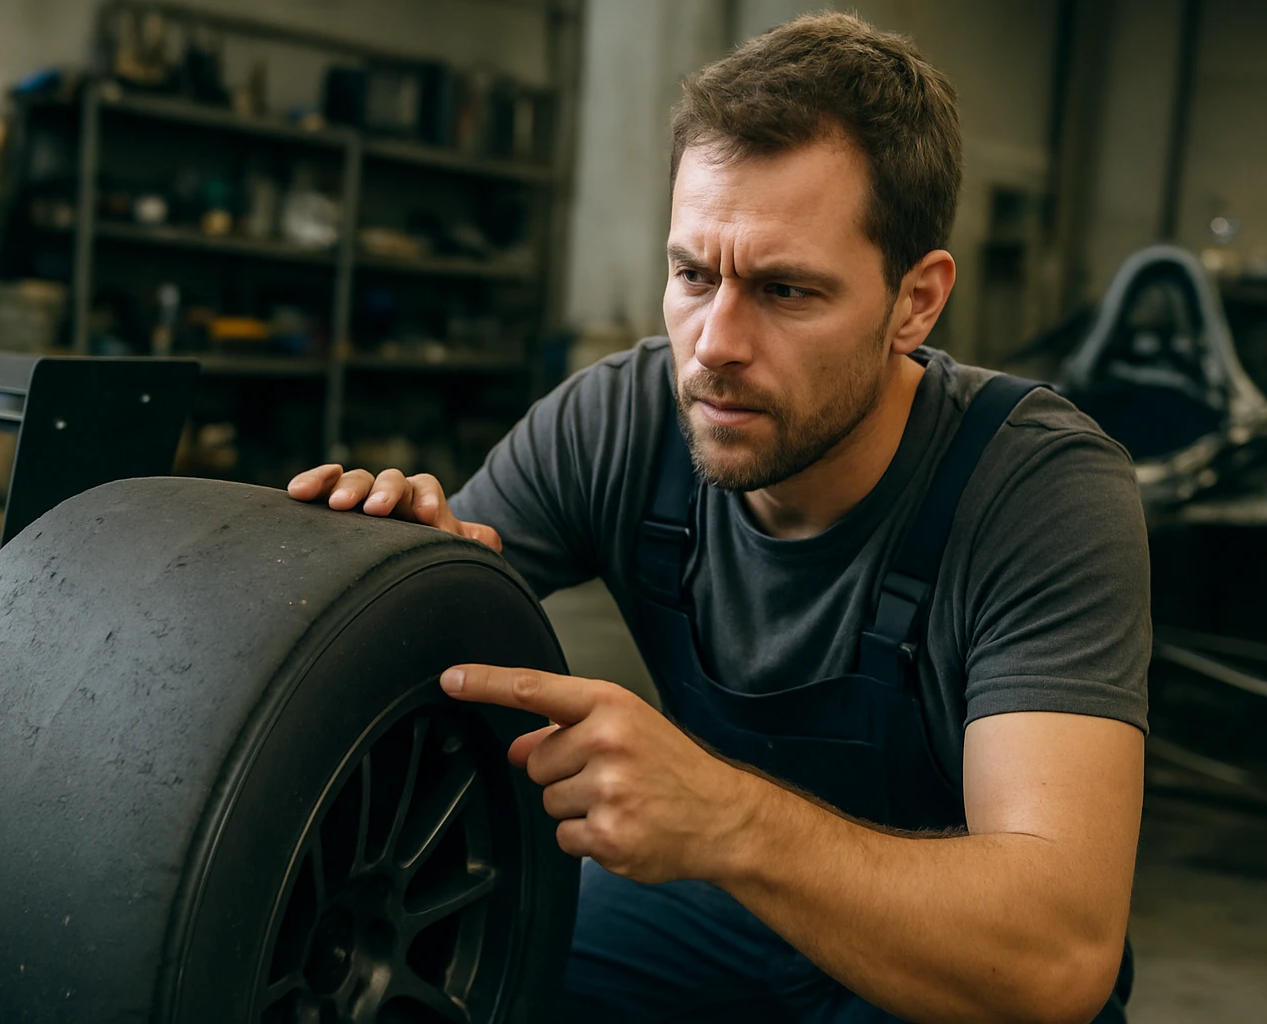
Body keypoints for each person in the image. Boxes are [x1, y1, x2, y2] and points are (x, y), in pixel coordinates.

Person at [289, 12, 1148, 1023]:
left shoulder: (1039, 491)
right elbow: (410, 654)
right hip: (718, 913)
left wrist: (729, 819)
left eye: (785, 290)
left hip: (957, 952)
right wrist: (403, 572)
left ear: (916, 302)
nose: (714, 346)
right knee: (476, 961)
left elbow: (1057, 953)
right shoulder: (620, 419)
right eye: (695, 275)